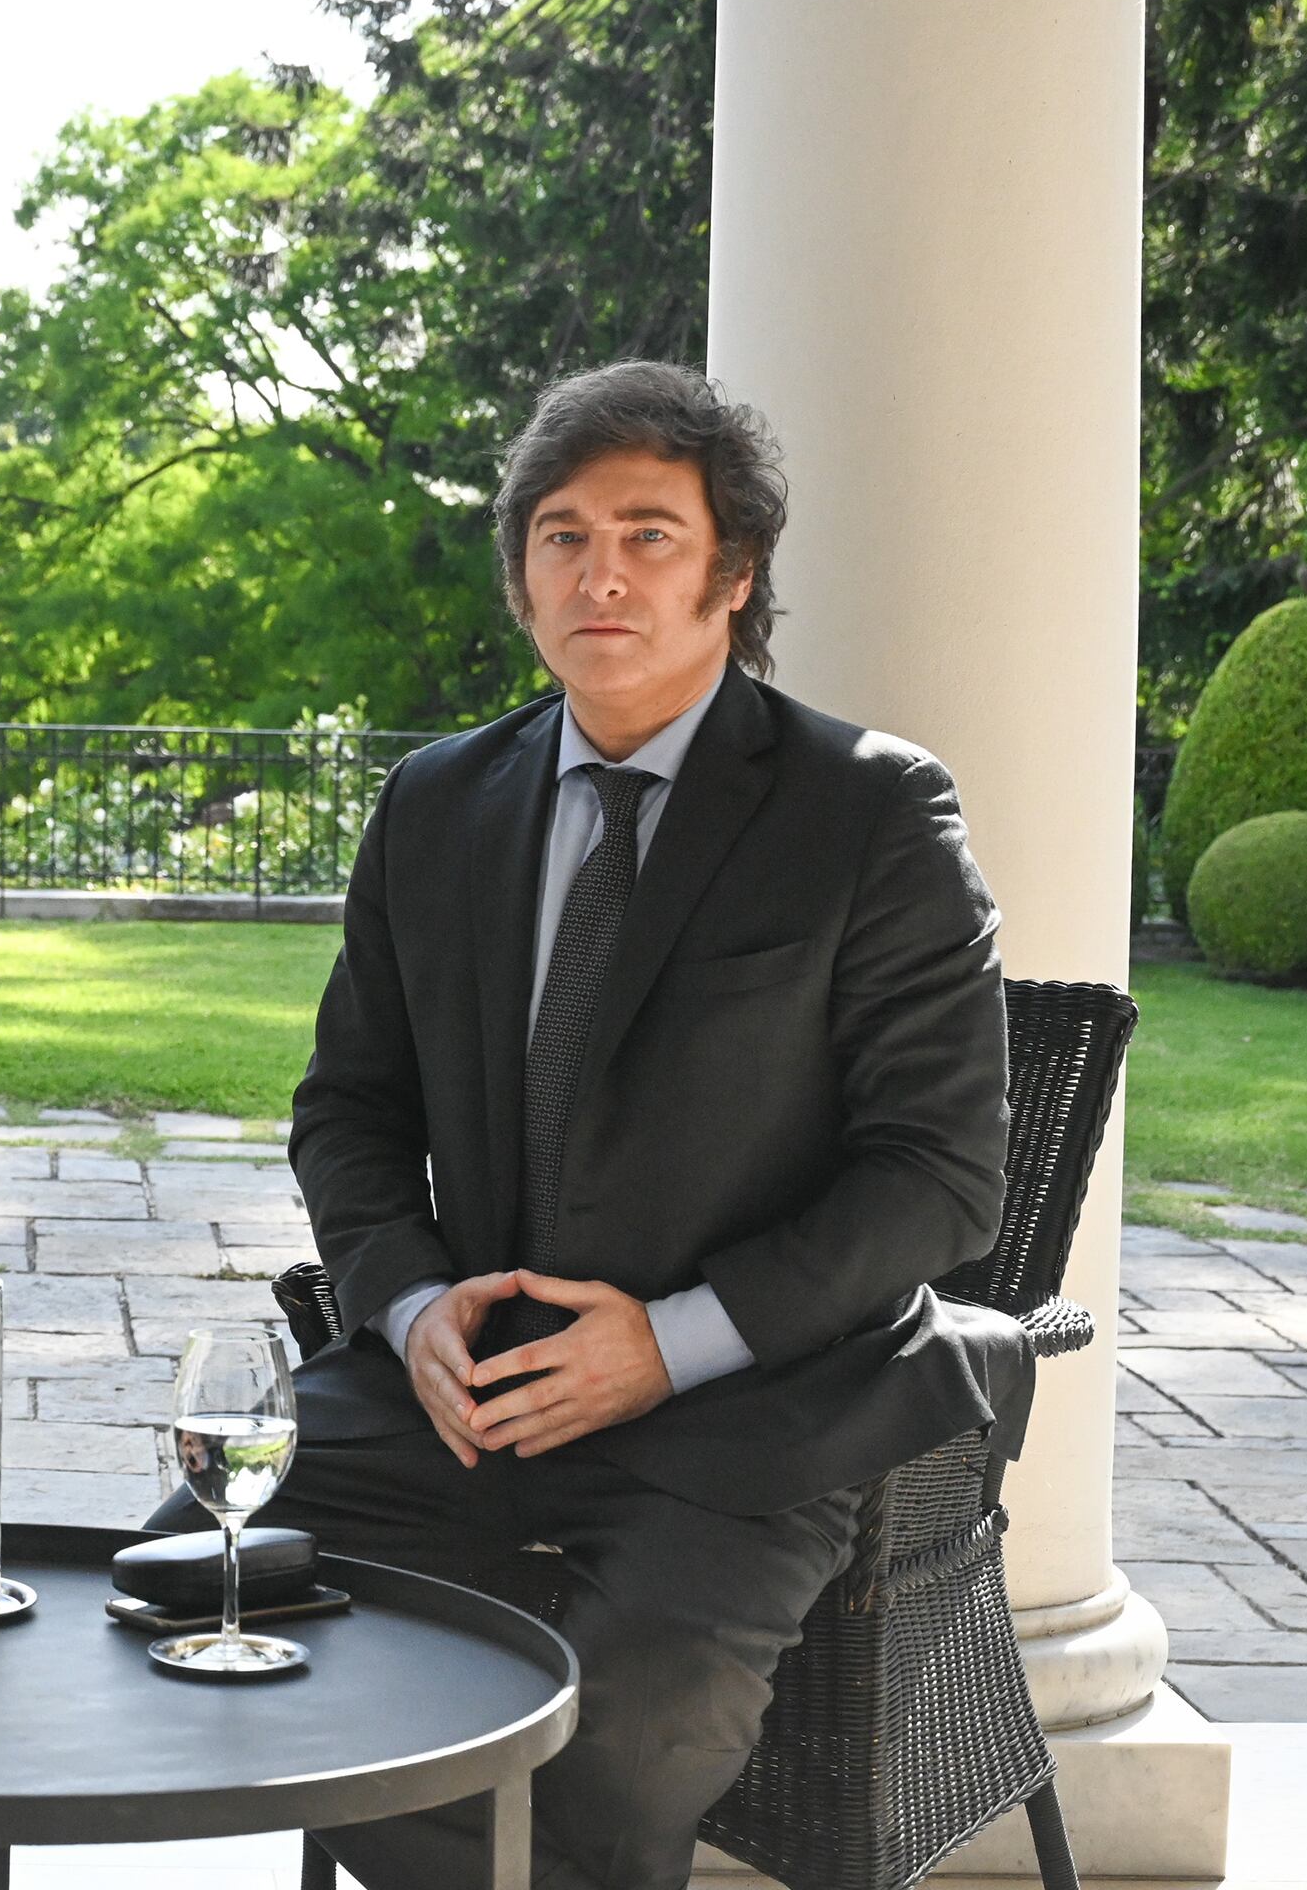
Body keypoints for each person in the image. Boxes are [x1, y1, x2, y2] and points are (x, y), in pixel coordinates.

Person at [146, 361, 1027, 1890]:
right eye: (561, 535)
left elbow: (941, 1180)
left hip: (746, 1411)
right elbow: (349, 1112)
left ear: (733, 577)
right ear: (522, 578)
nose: (599, 572)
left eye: (648, 534)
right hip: (459, 1399)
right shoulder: (436, 803)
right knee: (167, 1606)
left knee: (608, 1743)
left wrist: (665, 1341)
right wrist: (410, 1305)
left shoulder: (869, 812)